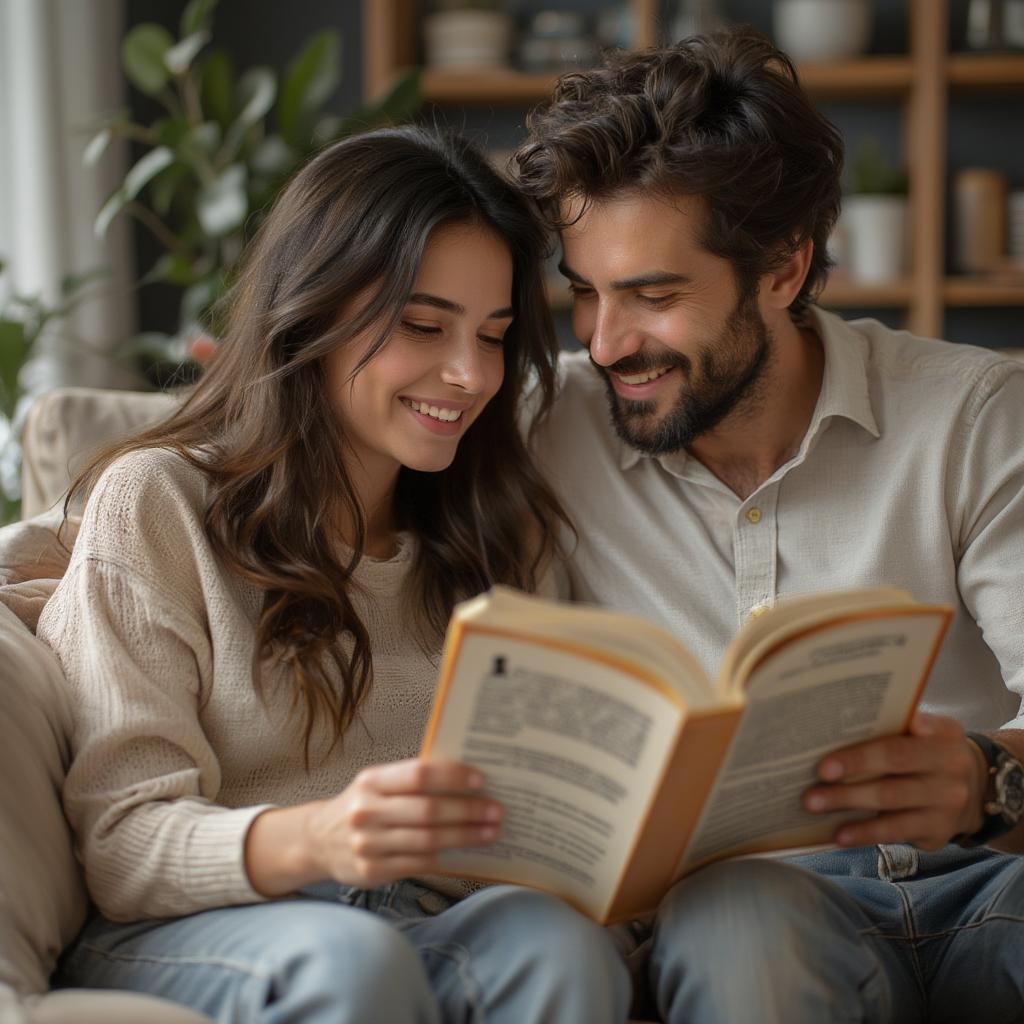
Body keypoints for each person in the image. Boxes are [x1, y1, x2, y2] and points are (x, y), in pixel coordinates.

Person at [36, 126, 632, 1024]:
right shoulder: (157, 503)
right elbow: (124, 846)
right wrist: (321, 836)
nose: (469, 375)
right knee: (352, 961)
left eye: (495, 336)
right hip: (205, 923)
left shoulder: (501, 534)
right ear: (312, 312)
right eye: (424, 327)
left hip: (418, 922)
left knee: (561, 949)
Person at [513, 26, 1024, 1024]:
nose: (607, 341)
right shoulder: (542, 434)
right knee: (736, 925)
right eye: (584, 292)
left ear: (783, 270)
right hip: (746, 907)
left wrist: (983, 777)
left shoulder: (976, 416)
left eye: (653, 296)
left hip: (986, 884)